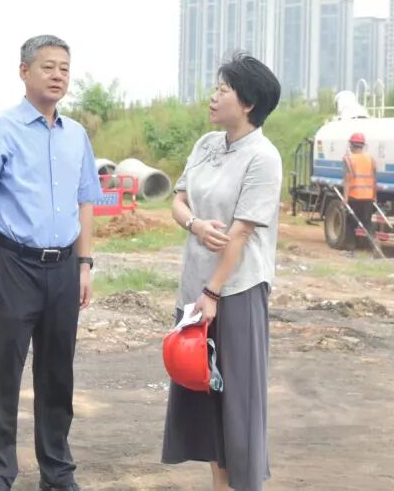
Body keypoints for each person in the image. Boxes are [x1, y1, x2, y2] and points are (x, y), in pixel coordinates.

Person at [0, 35, 101, 491]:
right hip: (14, 265)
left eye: (64, 68)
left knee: (58, 373)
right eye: (48, 67)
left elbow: (86, 201)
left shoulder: (76, 135)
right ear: (24, 71)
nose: (57, 75)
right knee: (2, 373)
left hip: (63, 267)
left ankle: (57, 472)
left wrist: (84, 264)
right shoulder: (0, 128)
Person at [161, 53, 282, 491]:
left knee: (237, 405)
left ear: (248, 103)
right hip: (196, 292)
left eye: (223, 90)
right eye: (216, 88)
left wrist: (212, 293)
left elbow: (242, 232)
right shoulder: (206, 145)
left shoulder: (263, 157)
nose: (213, 97)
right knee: (206, 400)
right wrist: (194, 224)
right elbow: (177, 201)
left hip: (234, 293)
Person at [343, 132, 377, 251]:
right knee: (367, 223)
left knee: (350, 224)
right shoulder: (371, 159)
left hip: (354, 197)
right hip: (368, 197)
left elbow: (347, 179)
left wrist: (345, 198)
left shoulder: (348, 159)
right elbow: (374, 180)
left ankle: (351, 248)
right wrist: (374, 196)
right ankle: (375, 246)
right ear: (363, 146)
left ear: (352, 145)